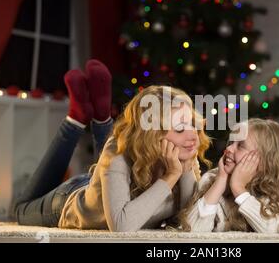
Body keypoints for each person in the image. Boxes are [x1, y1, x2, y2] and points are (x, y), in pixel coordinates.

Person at [14, 62, 211, 232]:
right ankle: (75, 119)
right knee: (20, 210)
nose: (193, 135)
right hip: (70, 202)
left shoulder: (185, 148)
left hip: (105, 183)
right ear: (153, 135)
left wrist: (184, 170)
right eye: (179, 128)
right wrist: (170, 177)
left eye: (192, 123)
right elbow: (121, 226)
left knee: (117, 151)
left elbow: (187, 221)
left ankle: (101, 118)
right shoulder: (118, 151)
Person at [178, 117, 279, 233]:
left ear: (264, 162)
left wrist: (238, 188)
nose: (228, 148)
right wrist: (221, 181)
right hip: (269, 166)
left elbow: (275, 231)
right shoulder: (213, 178)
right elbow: (192, 231)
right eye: (231, 142)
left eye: (240, 145)